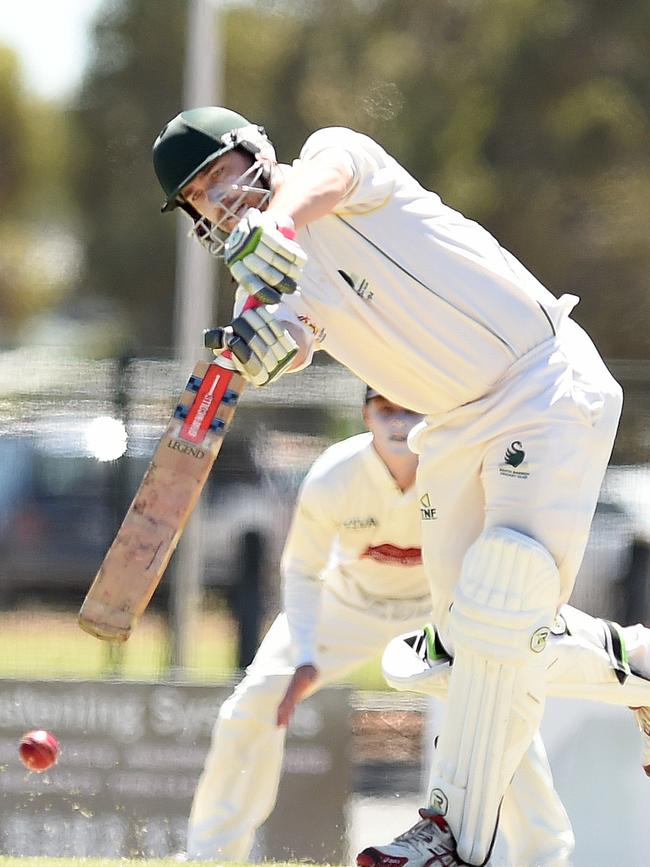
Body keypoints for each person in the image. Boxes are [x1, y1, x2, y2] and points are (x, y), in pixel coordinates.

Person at [152, 107, 628, 866]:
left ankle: (446, 836)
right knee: (455, 648)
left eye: (219, 170)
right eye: (198, 194)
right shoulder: (265, 282)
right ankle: (634, 661)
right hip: (454, 427)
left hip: (542, 382)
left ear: (255, 151)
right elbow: (295, 334)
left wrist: (272, 228)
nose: (217, 194)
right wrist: (264, 345)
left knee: (502, 600)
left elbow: (321, 184)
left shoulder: (331, 159)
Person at [186, 387, 432, 860]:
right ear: (366, 415)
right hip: (349, 604)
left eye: (411, 406)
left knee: (496, 712)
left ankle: (523, 853)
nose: (399, 422)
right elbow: (301, 569)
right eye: (386, 409)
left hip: (434, 611)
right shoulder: (335, 474)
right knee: (251, 705)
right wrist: (302, 657)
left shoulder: (454, 469)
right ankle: (212, 856)